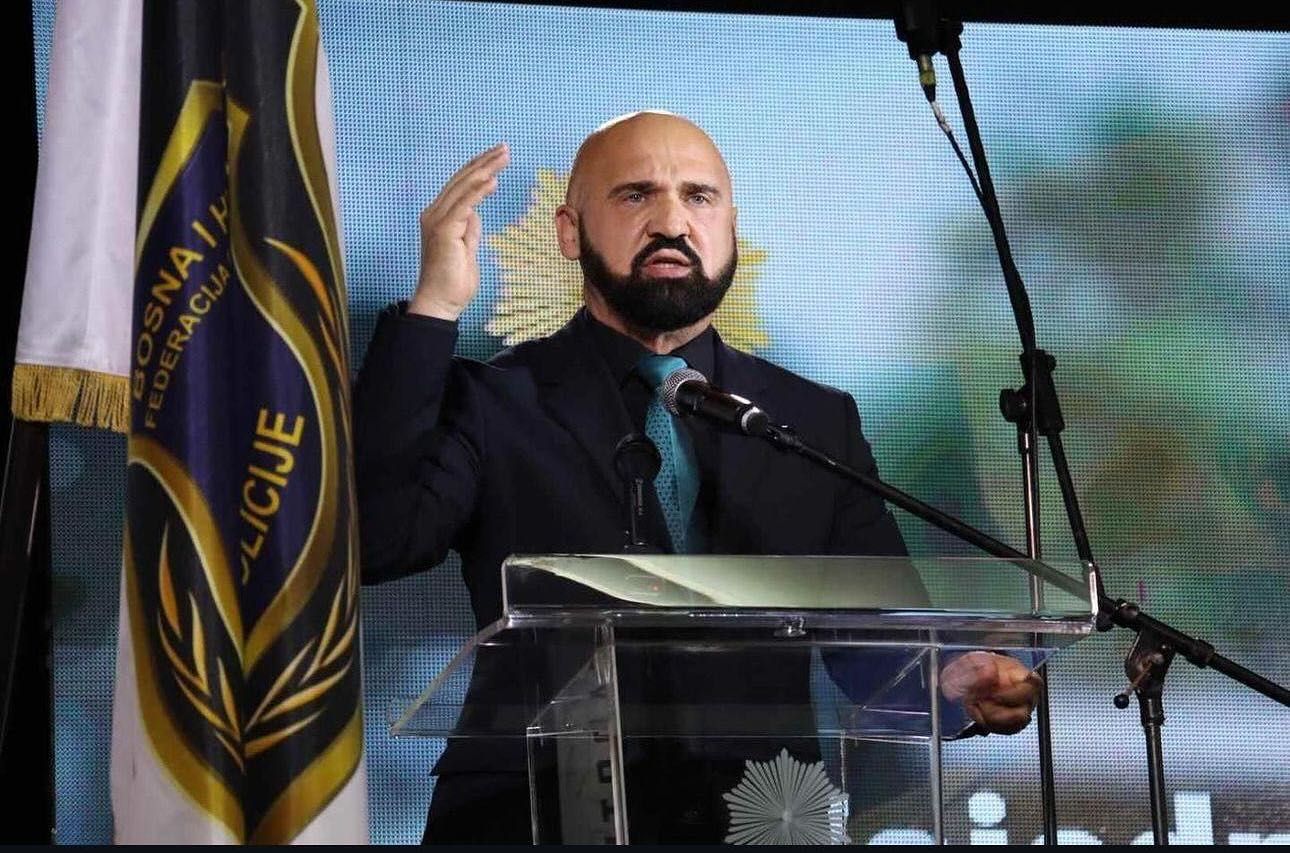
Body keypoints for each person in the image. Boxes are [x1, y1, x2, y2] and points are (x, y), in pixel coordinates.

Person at [354, 111, 1040, 844]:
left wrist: (950, 676)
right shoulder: (493, 402)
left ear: (731, 230)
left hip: (759, 819)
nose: (671, 222)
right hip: (528, 818)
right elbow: (379, 540)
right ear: (569, 232)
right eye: (636, 195)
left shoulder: (809, 422)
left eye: (699, 197)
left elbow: (876, 641)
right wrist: (434, 308)